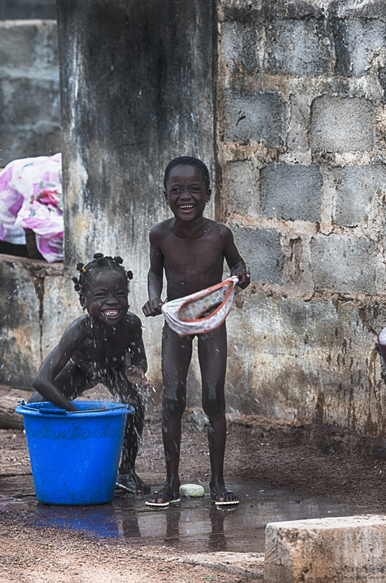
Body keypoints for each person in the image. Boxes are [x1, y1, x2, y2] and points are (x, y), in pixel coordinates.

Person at [142, 156, 251, 508]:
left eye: (193, 190)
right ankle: (171, 483)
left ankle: (218, 482)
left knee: (213, 398)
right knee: (172, 399)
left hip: (211, 320)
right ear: (165, 195)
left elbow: (236, 264)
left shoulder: (220, 235)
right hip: (176, 322)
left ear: (208, 194)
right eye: (176, 190)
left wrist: (241, 274)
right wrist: (154, 298)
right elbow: (154, 272)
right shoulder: (160, 234)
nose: (185, 197)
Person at [30, 253, 151, 494]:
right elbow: (41, 380)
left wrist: (136, 371)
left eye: (120, 295)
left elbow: (141, 361)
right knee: (36, 407)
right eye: (100, 296)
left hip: (114, 370)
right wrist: (75, 414)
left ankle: (126, 472)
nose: (112, 303)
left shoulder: (131, 324)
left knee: (133, 403)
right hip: (81, 370)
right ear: (83, 300)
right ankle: (59, 468)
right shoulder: (79, 330)